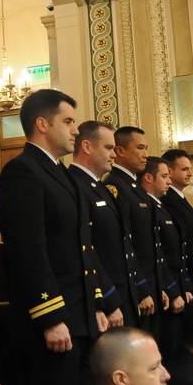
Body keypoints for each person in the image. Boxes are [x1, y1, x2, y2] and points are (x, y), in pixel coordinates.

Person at [0, 88, 121, 385]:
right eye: (67, 121)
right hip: (52, 321)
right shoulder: (22, 171)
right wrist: (50, 316)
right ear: (41, 124)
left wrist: (97, 302)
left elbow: (82, 249)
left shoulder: (61, 175)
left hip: (78, 317)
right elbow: (27, 252)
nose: (74, 130)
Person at [68, 120, 143, 326]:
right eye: (109, 148)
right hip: (107, 297)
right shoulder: (74, 185)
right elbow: (86, 250)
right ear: (86, 147)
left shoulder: (100, 187)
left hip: (122, 294)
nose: (114, 154)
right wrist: (105, 301)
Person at [104, 127, 170, 336]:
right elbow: (125, 244)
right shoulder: (115, 186)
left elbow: (151, 245)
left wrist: (158, 286)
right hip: (135, 288)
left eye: (146, 148)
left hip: (150, 286)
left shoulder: (134, 186)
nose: (145, 154)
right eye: (140, 148)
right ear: (120, 151)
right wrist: (141, 288)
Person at [140, 156, 191, 356]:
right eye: (164, 176)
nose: (169, 181)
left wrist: (183, 287)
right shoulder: (149, 207)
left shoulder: (159, 206)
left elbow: (179, 252)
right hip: (163, 292)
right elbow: (159, 255)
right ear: (148, 178)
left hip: (174, 288)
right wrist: (172, 290)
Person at [160, 149, 193, 297]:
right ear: (170, 172)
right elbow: (183, 240)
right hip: (189, 276)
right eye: (185, 169)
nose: (190, 173)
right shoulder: (169, 200)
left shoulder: (180, 198)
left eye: (190, 169)